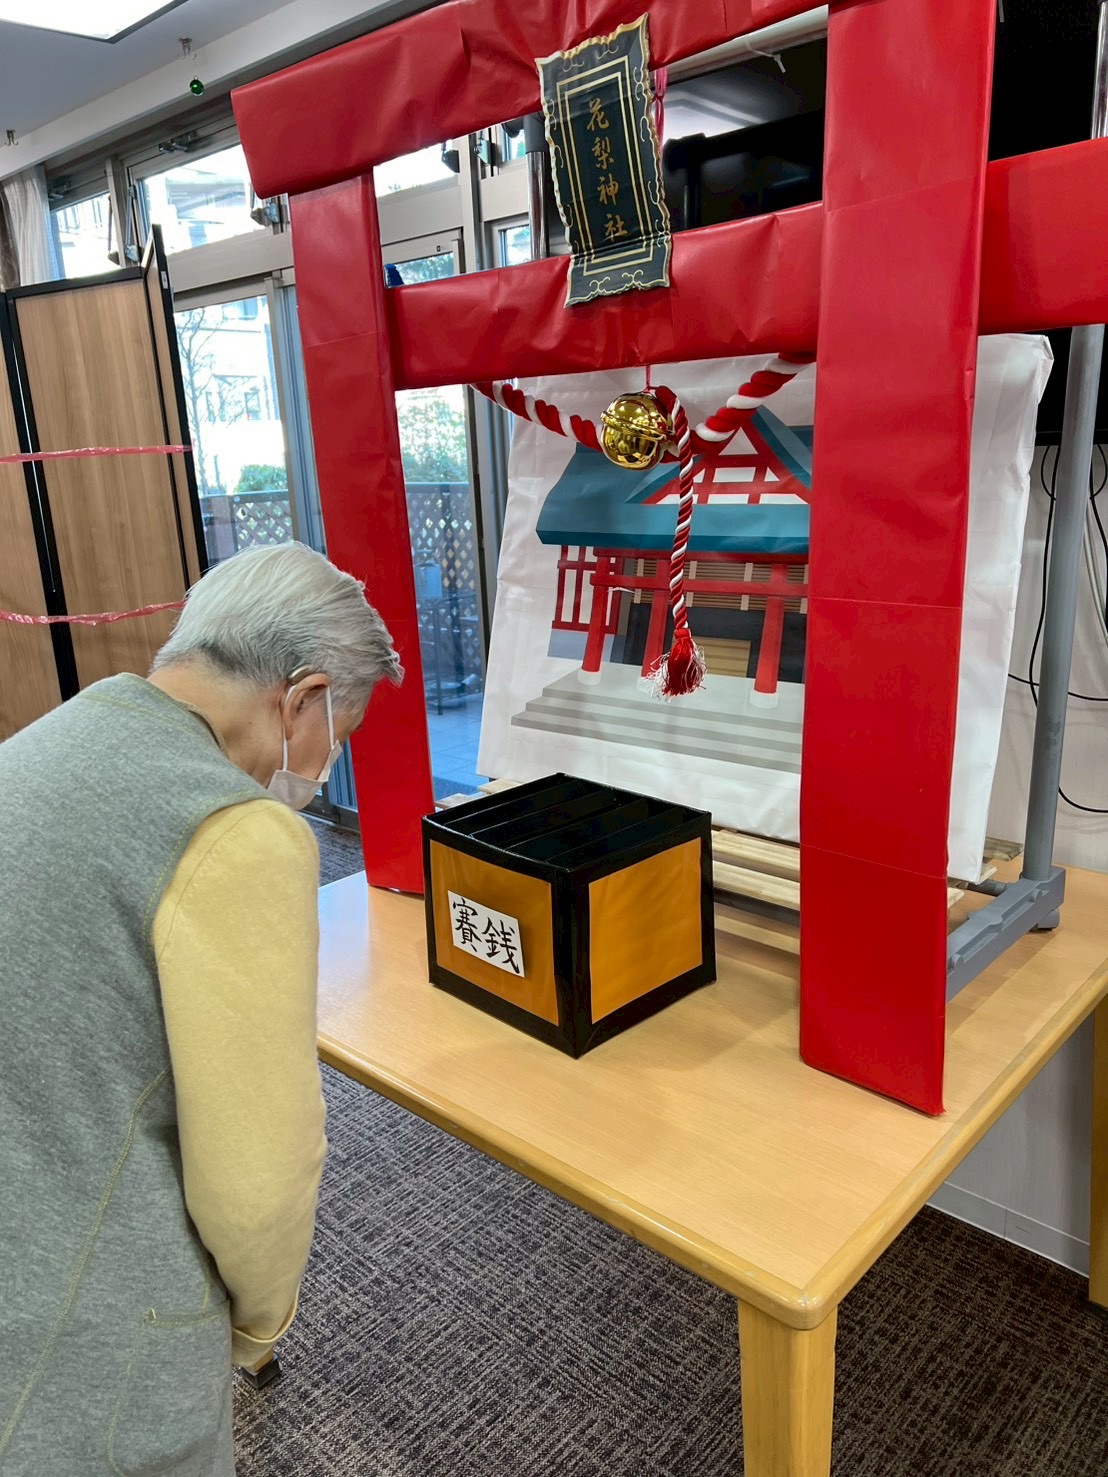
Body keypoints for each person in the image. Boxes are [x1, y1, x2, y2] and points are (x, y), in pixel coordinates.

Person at [0, 543, 400, 1476]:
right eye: (341, 730)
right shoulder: (236, 833)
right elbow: (258, 1177)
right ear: (302, 698)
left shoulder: (44, 742)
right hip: (83, 1359)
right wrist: (256, 1325)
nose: (329, 761)